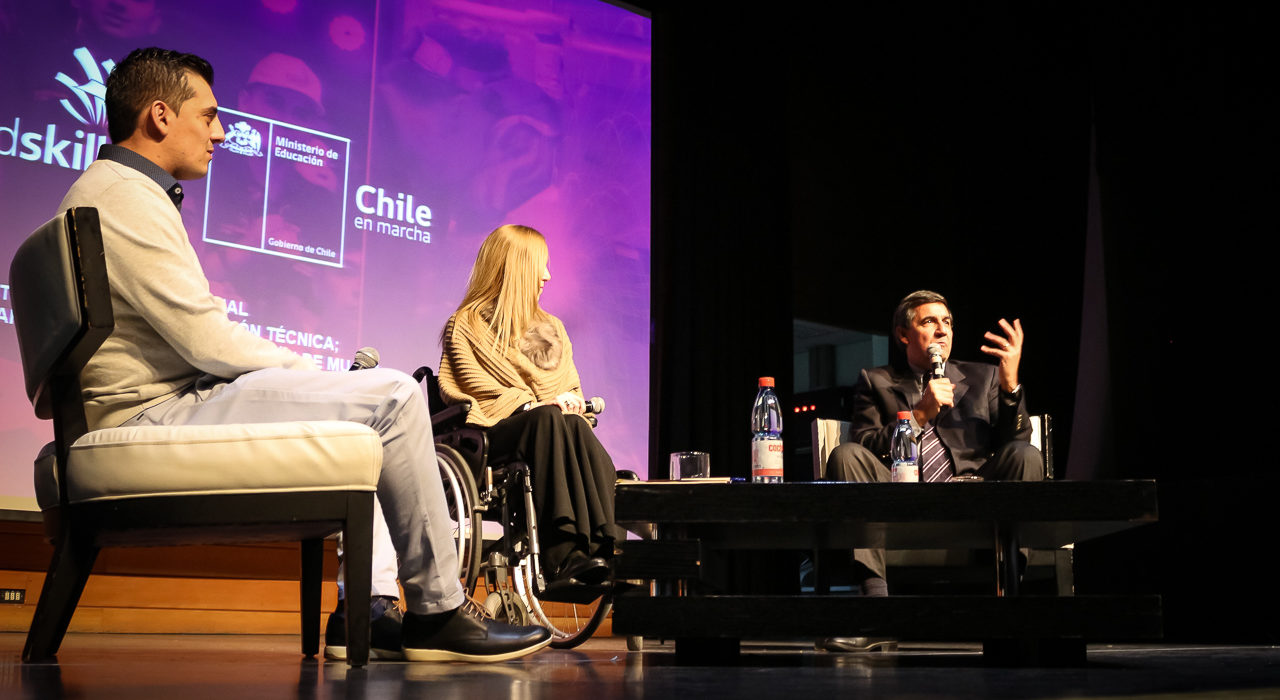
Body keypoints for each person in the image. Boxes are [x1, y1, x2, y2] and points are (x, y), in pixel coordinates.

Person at [57, 46, 550, 663]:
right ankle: (439, 610)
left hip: (158, 401)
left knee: (362, 414)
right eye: (208, 115)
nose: (220, 131)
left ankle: (364, 610)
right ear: (159, 116)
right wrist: (313, 374)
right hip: (153, 411)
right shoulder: (125, 196)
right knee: (391, 395)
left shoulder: (113, 190)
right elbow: (205, 340)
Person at [820, 290, 1044, 652]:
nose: (942, 330)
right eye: (929, 321)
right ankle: (875, 613)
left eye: (948, 322)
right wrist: (919, 415)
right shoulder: (876, 380)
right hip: (900, 495)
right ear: (903, 334)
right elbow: (863, 444)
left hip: (971, 494)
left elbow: (1016, 440)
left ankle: (1007, 607)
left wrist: (1009, 386)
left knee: (1025, 456)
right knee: (845, 455)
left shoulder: (984, 377)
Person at [437, 224, 622, 597]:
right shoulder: (467, 324)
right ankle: (560, 556)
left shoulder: (553, 328)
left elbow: (569, 386)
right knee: (548, 419)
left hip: (547, 428)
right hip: (494, 433)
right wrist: (530, 402)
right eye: (541, 265)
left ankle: (606, 551)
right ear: (517, 268)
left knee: (576, 428)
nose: (548, 276)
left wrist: (567, 400)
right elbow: (471, 386)